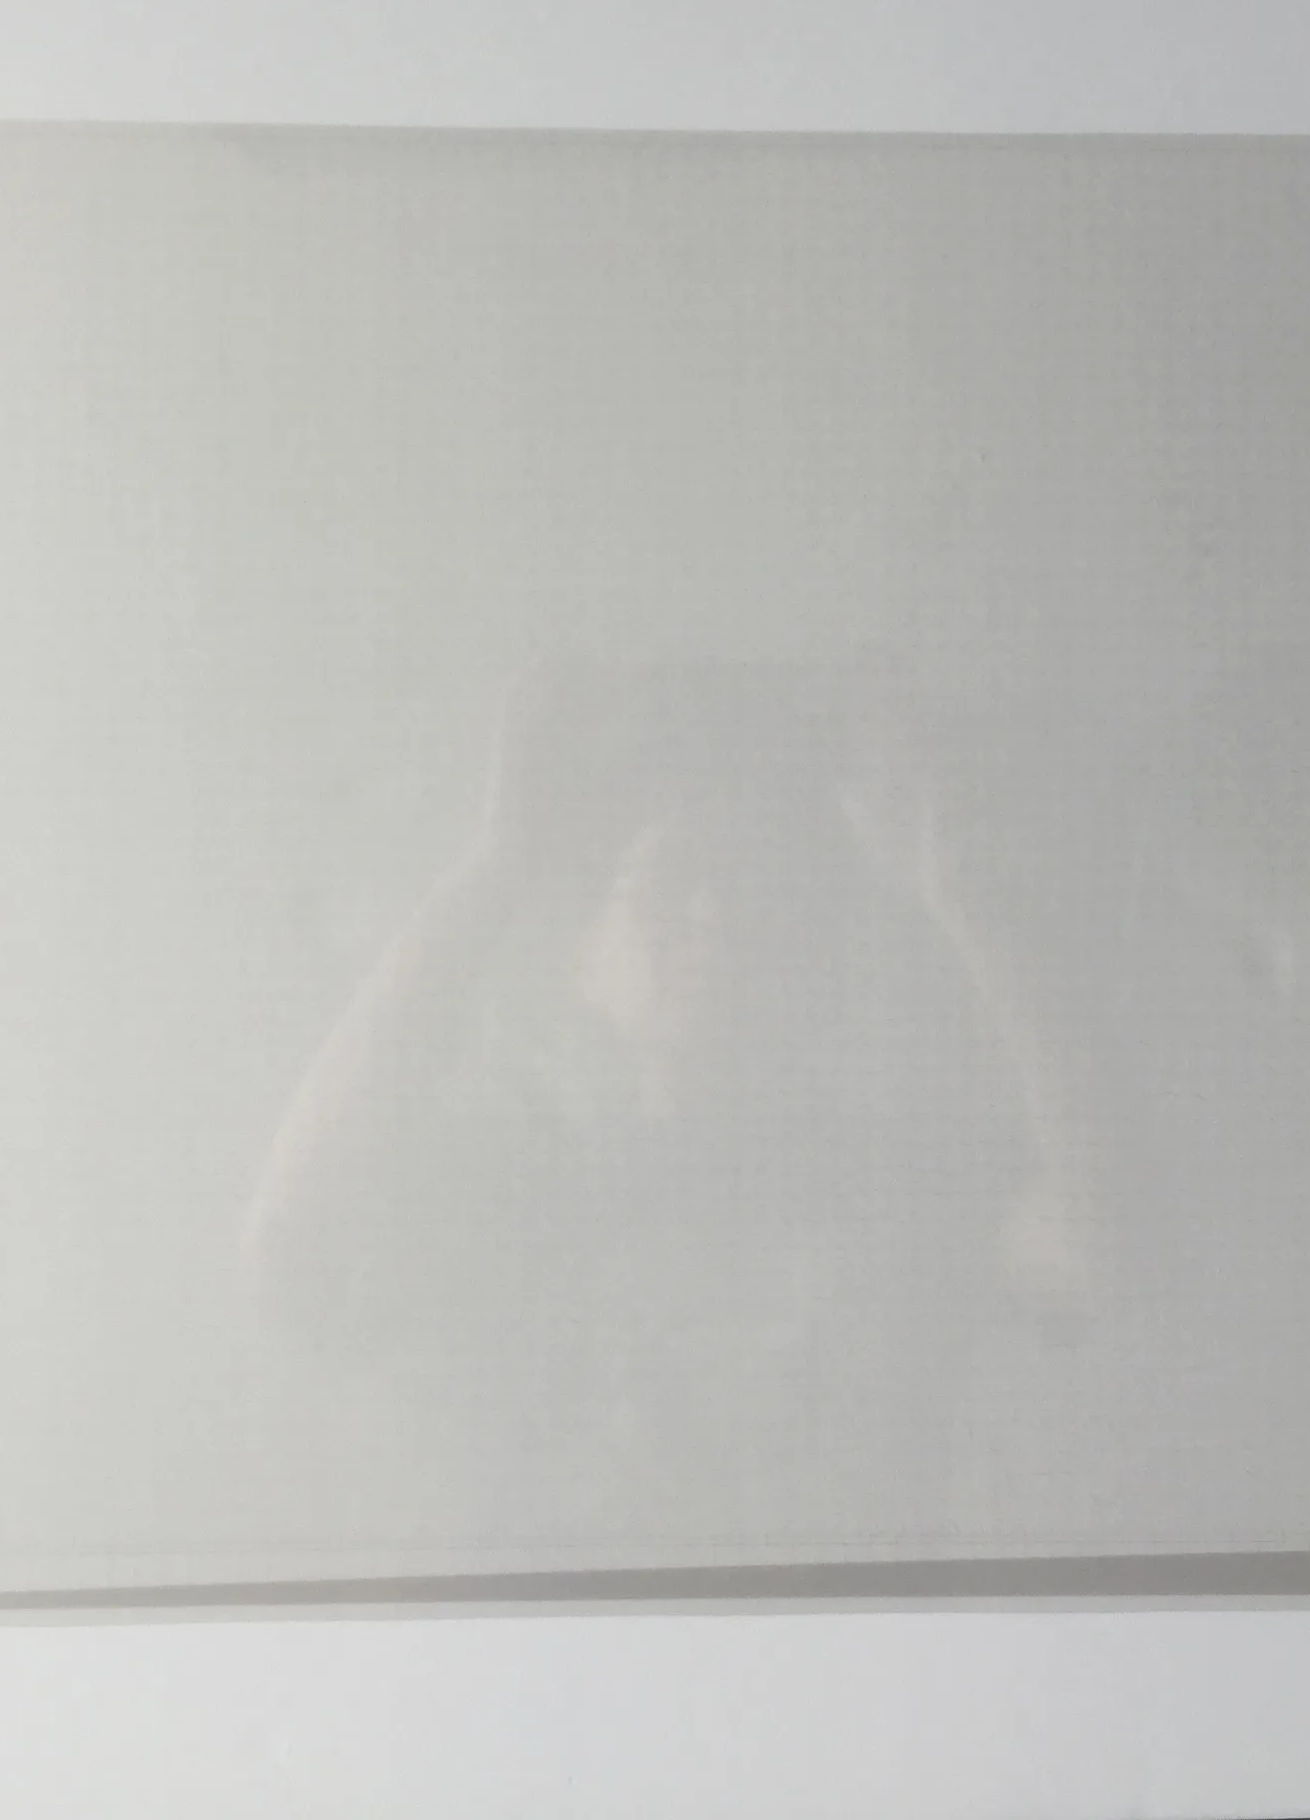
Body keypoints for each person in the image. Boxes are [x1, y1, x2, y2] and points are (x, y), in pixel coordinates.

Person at [237, 652, 1100, 1549]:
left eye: (759, 888)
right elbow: (299, 1252)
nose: (714, 916)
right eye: (669, 880)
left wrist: (962, 897)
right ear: (586, 961)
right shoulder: (519, 1183)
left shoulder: (902, 1186)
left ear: (818, 953)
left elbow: (1093, 1253)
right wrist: (495, 872)